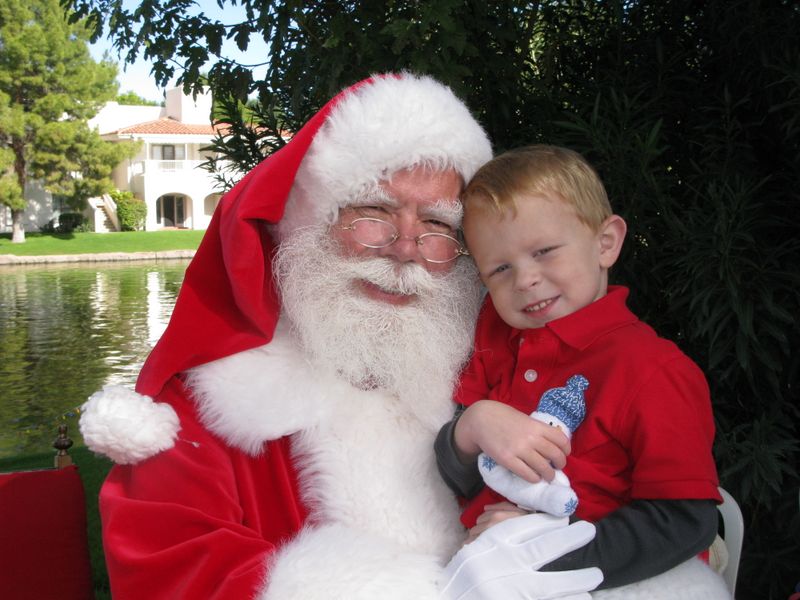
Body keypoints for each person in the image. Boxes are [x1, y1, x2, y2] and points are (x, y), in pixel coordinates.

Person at [79, 75, 602, 599]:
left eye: (438, 225)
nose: (405, 249)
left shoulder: (498, 370)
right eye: (372, 214)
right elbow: (169, 566)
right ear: (308, 222)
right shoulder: (213, 402)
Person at [435, 145, 730, 597]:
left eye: (544, 251)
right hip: (483, 565)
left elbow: (685, 522)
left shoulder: (654, 370)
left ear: (605, 243)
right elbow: (465, 478)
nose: (526, 279)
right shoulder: (494, 337)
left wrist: (550, 550)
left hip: (605, 576)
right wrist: (470, 427)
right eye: (499, 268)